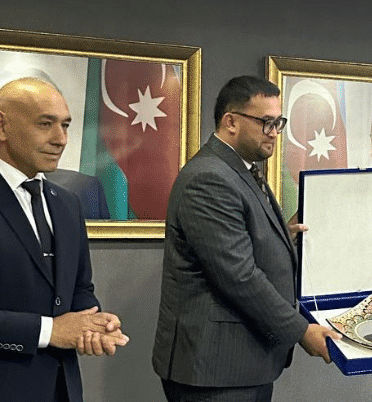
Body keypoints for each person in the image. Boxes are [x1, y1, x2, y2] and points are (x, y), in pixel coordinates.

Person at [152, 76, 341, 402]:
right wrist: (301, 330)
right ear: (231, 122)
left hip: (240, 364)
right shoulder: (210, 178)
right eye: (266, 122)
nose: (274, 132)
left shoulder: (242, 170)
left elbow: (240, 242)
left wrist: (281, 236)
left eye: (278, 123)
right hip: (214, 371)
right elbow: (238, 275)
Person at [0, 77, 129, 402]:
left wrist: (93, 322)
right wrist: (50, 331)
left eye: (66, 125)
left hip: (63, 389)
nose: (61, 139)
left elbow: (79, 289)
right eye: (45, 124)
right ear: (2, 126)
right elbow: (55, 326)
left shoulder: (67, 203)